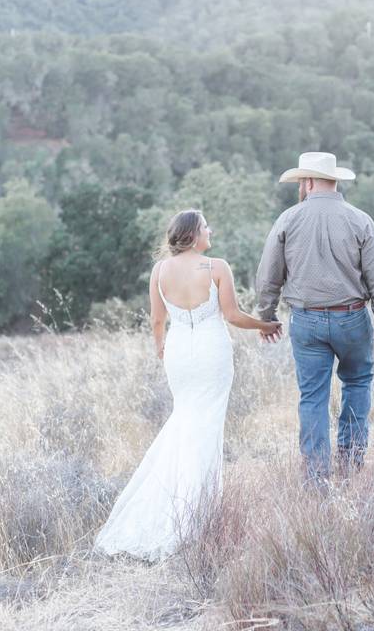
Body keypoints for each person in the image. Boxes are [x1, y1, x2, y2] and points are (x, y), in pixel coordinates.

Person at [94, 209, 282, 561]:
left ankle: (178, 510)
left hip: (179, 353)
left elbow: (156, 320)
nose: (211, 230)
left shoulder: (160, 271)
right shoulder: (216, 267)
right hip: (211, 352)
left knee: (184, 423)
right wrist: (264, 325)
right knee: (205, 429)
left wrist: (162, 349)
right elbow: (232, 316)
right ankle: (194, 519)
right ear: (195, 234)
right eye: (206, 226)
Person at [255, 152, 374, 481]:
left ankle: (317, 478)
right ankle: (351, 466)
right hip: (351, 318)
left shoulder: (288, 219)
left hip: (306, 321)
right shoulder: (360, 220)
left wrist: (267, 316)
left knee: (313, 397)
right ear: (334, 180)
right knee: (358, 383)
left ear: (306, 182)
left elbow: (268, 277)